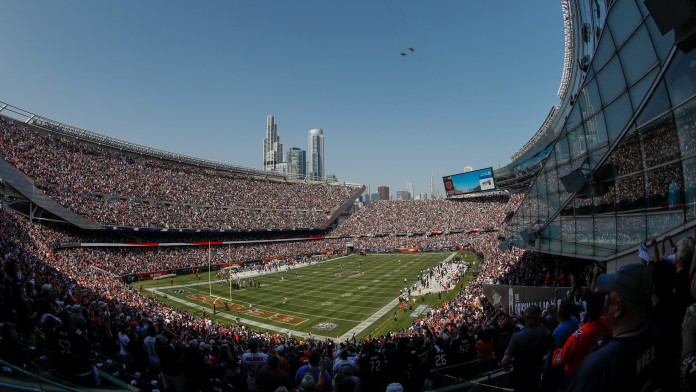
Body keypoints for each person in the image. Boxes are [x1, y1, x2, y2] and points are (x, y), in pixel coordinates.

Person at [567, 263, 665, 391]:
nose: (604, 298)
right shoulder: (655, 333)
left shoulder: (596, 368)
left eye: (607, 293)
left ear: (618, 307)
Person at [501, 305, 550, 391]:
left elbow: (505, 360)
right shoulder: (544, 332)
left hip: (520, 379)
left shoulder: (517, 336)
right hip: (536, 376)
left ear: (525, 318)